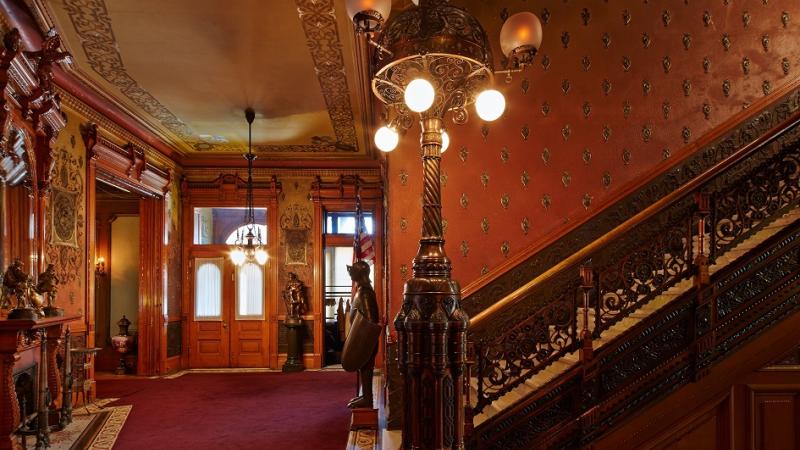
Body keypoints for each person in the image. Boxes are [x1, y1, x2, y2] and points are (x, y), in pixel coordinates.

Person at [345, 260, 379, 409]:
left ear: (359, 273)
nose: (350, 272)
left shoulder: (365, 293)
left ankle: (367, 398)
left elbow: (371, 320)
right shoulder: (362, 290)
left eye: (353, 271)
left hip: (366, 340)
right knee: (364, 369)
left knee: (366, 369)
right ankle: (365, 396)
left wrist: (361, 340)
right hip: (363, 340)